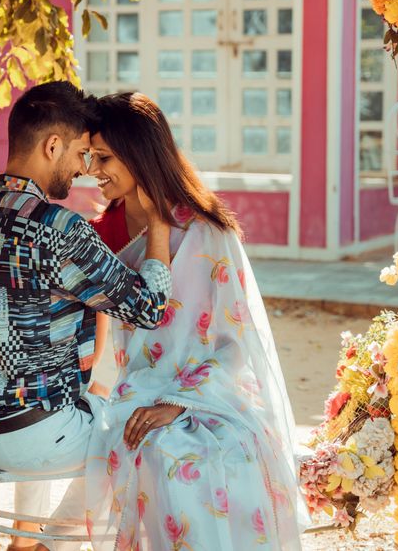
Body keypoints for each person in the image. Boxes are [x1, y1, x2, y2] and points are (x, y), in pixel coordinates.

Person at [0, 81, 173, 551]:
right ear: (53, 145)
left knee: (54, 397)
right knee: (130, 428)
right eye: (82, 153)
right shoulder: (59, 227)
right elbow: (148, 308)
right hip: (30, 438)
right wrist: (159, 224)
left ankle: (26, 542)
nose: (84, 169)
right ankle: (53, 545)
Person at [84, 92, 309, 550]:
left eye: (103, 157)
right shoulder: (100, 236)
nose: (92, 169)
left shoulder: (208, 232)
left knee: (213, 457)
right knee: (152, 448)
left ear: (138, 153)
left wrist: (180, 402)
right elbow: (96, 343)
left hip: (210, 395)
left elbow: (237, 344)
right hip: (134, 391)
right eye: (88, 156)